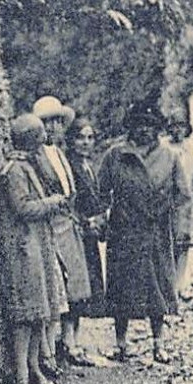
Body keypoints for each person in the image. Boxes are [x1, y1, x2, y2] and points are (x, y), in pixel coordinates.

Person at [97, 101, 190, 364]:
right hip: (124, 230)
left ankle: (158, 343)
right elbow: (101, 191)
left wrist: (179, 227)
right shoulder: (115, 155)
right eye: (139, 125)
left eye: (150, 126)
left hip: (155, 231)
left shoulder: (169, 157)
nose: (145, 131)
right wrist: (101, 220)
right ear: (131, 127)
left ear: (158, 129)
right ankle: (120, 343)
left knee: (157, 286)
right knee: (121, 287)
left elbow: (182, 195)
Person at [0, 114, 69, 384]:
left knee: (39, 311)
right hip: (22, 251)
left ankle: (35, 368)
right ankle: (22, 378)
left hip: (36, 247)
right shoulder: (14, 170)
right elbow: (22, 208)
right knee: (25, 316)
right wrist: (53, 202)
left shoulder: (26, 166)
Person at [32, 96, 96, 368]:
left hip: (70, 225)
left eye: (58, 122)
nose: (54, 128)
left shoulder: (61, 154)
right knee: (56, 285)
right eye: (48, 123)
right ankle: (50, 347)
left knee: (76, 285)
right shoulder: (37, 156)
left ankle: (71, 340)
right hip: (52, 225)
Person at [65, 118, 109, 320]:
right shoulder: (68, 165)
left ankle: (75, 338)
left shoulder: (88, 166)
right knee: (74, 285)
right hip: (75, 232)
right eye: (80, 138)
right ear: (71, 140)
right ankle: (68, 340)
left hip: (89, 234)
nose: (85, 142)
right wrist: (85, 220)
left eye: (90, 138)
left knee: (88, 286)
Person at [167, 117, 193, 300]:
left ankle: (181, 283)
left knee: (183, 241)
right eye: (174, 126)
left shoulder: (192, 148)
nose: (177, 130)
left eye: (181, 126)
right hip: (167, 199)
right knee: (168, 240)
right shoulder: (164, 146)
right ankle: (169, 283)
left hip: (187, 199)